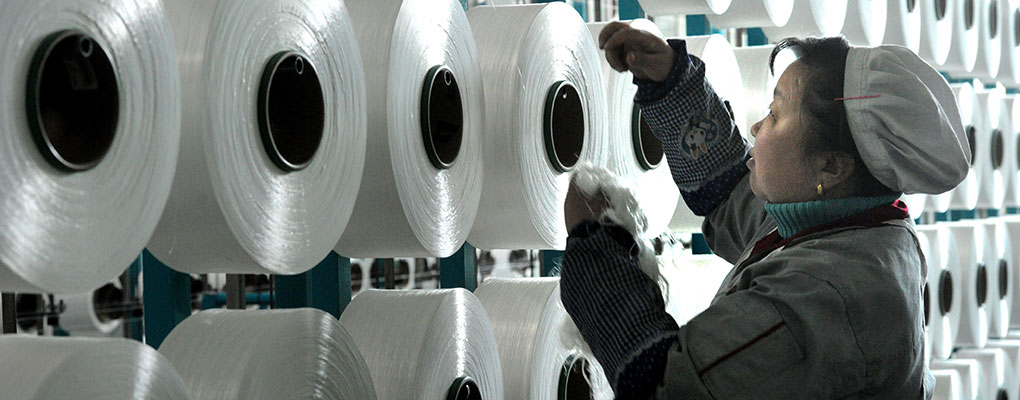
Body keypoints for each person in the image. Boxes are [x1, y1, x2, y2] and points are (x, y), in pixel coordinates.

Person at [559, 22, 971, 399]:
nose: (757, 127)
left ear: (831, 166)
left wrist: (597, 251)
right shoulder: (855, 222)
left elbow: (665, 387)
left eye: (775, 114)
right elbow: (732, 197)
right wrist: (669, 81)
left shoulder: (821, 300)